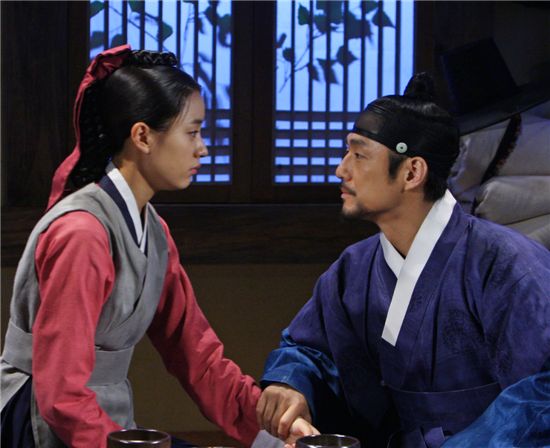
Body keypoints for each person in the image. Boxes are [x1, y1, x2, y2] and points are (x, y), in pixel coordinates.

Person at [256, 73, 550, 447]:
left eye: (359, 155)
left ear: (412, 172)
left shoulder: (506, 264)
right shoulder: (354, 269)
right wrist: (291, 385)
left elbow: (543, 388)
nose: (342, 169)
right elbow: (310, 348)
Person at [0, 45, 261, 448]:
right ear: (142, 136)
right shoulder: (82, 233)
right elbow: (60, 395)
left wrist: (270, 427)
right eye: (192, 132)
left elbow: (196, 354)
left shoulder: (153, 231)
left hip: (103, 416)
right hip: (40, 419)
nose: (203, 148)